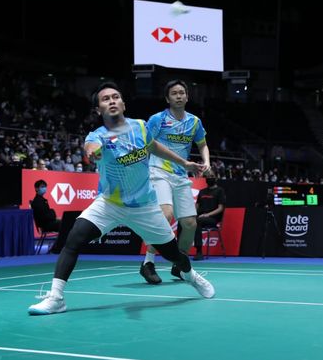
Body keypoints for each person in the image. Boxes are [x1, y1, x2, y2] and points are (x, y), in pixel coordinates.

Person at [28, 82, 214, 316]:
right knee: (74, 238)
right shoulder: (98, 136)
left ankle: (190, 275)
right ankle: (56, 297)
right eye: (105, 99)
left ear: (123, 104)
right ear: (99, 110)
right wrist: (92, 152)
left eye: (116, 97)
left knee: (174, 254)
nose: (112, 101)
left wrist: (184, 163)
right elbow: (91, 148)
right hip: (110, 204)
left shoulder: (140, 127)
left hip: (144, 205)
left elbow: (154, 147)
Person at [139, 79, 211, 284]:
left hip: (181, 175)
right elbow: (146, 145)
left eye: (182, 92)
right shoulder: (157, 120)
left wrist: (206, 162)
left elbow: (203, 145)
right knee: (166, 214)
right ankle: (148, 263)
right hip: (158, 171)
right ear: (167, 98)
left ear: (187, 97)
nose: (178, 96)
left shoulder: (194, 122)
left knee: (189, 223)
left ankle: (179, 265)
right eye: (174, 93)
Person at [193, 174, 226, 260]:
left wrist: (207, 214)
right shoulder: (202, 191)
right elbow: (197, 205)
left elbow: (220, 208)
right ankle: (180, 251)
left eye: (212, 176)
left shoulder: (220, 191)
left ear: (216, 178)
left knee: (197, 221)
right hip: (200, 217)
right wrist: (191, 215)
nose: (209, 178)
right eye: (208, 176)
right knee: (184, 221)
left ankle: (199, 252)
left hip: (213, 218)